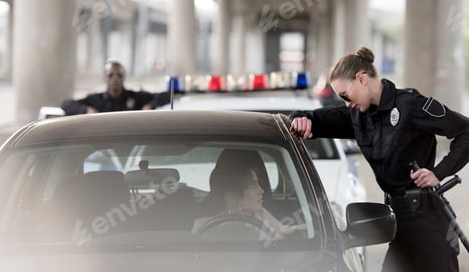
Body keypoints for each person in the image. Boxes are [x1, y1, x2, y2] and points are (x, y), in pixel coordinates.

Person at [289, 46, 469, 272]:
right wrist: (300, 118)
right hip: (397, 224)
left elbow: (465, 132)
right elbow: (316, 118)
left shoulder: (411, 105)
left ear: (361, 79)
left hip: (429, 225)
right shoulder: (357, 116)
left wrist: (439, 173)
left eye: (345, 94)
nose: (345, 102)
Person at [191, 152, 306, 240]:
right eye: (253, 185)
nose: (262, 190)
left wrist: (297, 230)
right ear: (231, 197)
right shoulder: (202, 225)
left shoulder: (261, 214)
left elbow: (282, 231)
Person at [61, 59, 170, 115]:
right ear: (105, 78)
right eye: (111, 75)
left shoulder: (136, 98)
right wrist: (86, 109)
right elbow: (66, 104)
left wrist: (151, 105)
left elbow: (167, 96)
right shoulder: (95, 100)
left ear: (124, 78)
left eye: (119, 75)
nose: (115, 79)